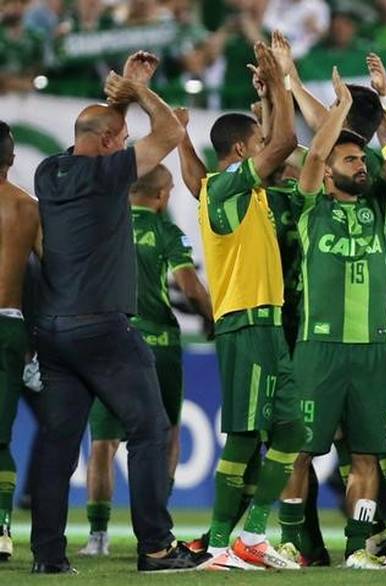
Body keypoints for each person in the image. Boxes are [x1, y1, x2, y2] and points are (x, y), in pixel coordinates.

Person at [30, 51, 203, 574]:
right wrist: (137, 90)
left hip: (54, 332)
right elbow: (170, 133)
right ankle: (155, 547)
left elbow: (98, 133)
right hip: (102, 326)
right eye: (122, 140)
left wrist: (117, 102)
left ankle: (48, 557)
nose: (127, 145)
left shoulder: (47, 172)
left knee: (59, 445)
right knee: (150, 429)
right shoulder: (109, 176)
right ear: (108, 146)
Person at [287, 56, 386, 570]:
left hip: (374, 350)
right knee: (299, 453)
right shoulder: (311, 207)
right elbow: (314, 157)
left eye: (362, 159)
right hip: (318, 349)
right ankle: (296, 545)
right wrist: (331, 104)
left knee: (367, 456)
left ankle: (359, 545)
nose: (361, 165)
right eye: (352, 161)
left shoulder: (379, 204)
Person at [196, 40, 305, 572]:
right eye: (255, 142)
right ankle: (220, 546)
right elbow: (284, 141)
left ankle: (251, 536)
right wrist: (283, 82)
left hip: (269, 326)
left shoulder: (248, 191)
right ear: (242, 153)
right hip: (244, 324)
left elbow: (273, 137)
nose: (266, 147)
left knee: (291, 432)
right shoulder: (221, 190)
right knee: (243, 436)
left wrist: (265, 94)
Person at [79, 165, 213, 557]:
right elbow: (189, 286)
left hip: (108, 342)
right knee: (165, 435)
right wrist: (210, 318)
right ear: (160, 196)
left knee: (103, 442)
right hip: (159, 345)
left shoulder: (104, 229)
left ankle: (97, 536)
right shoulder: (167, 232)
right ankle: (156, 525)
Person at [0, 121, 41, 563]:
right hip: (11, 326)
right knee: (1, 438)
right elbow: (55, 272)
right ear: (12, 160)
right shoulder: (28, 208)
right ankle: (2, 531)